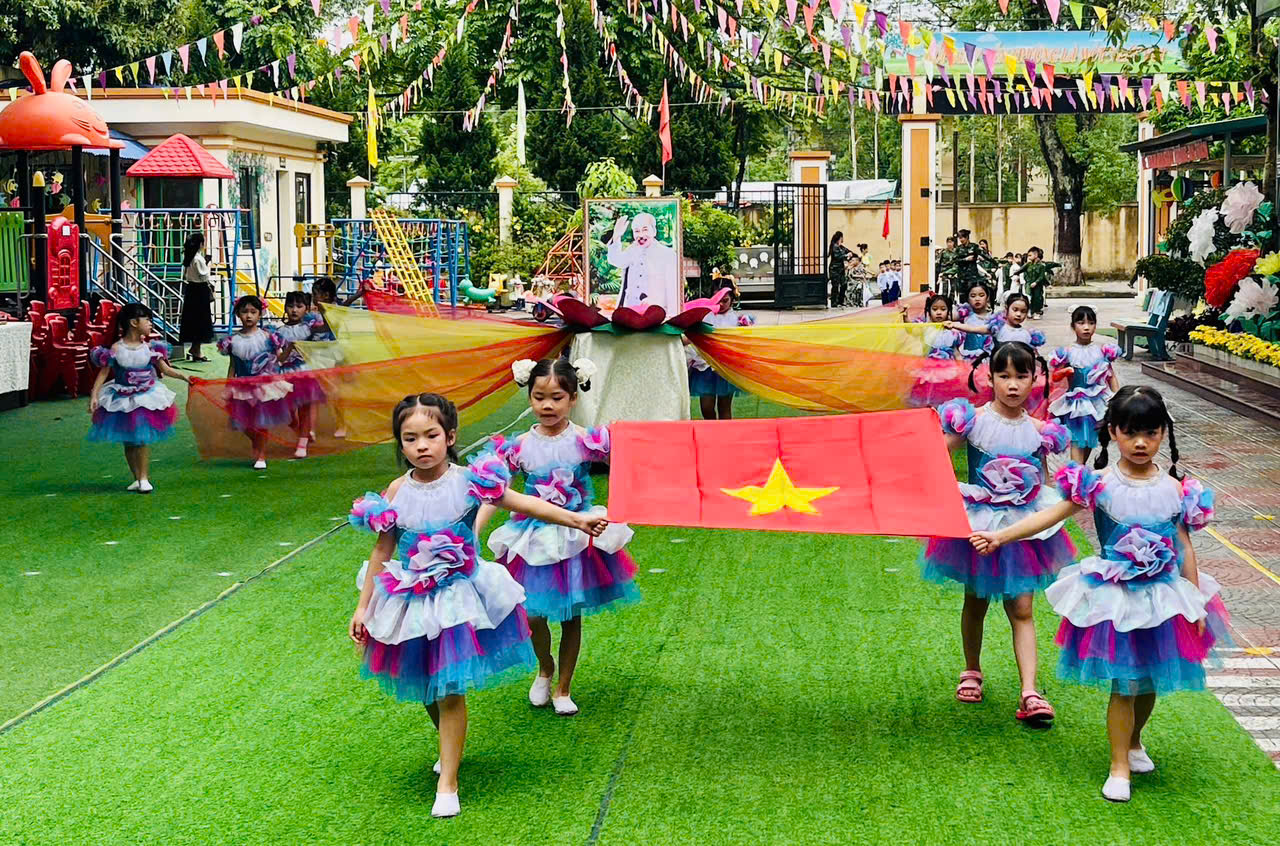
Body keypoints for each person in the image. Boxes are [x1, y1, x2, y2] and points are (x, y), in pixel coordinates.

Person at [348, 393, 608, 818]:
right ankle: (448, 746)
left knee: (449, 688)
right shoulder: (396, 490)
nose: (421, 446)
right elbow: (383, 549)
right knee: (427, 686)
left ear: (450, 437)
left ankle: (448, 782)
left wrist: (577, 519)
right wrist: (363, 607)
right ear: (400, 443)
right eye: (410, 438)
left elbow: (524, 502)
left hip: (458, 599)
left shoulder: (470, 480)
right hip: (411, 600)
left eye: (431, 435)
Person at [971, 386, 1229, 802]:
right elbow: (1048, 515)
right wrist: (1001, 536)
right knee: (1124, 684)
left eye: (1150, 433)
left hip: (1162, 599)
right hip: (1118, 600)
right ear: (1112, 432)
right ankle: (1118, 765)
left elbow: (1183, 547)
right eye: (1130, 432)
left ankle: (1135, 740)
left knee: (1150, 681)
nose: (1141, 443)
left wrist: (1195, 601)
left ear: (1163, 433)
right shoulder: (1099, 484)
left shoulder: (1177, 490)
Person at [920, 342, 1075, 724]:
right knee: (976, 602)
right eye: (1004, 376)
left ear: (1034, 379)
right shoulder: (973, 421)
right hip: (979, 526)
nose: (1013, 384)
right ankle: (972, 669)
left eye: (1021, 376)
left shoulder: (1040, 432)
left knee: (1022, 608)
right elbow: (935, 451)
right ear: (989, 378)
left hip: (1021, 531)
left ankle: (1030, 690)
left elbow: (1042, 478)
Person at [477, 359, 640, 717]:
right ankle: (545, 667)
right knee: (531, 613)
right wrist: (475, 530)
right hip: (531, 539)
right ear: (529, 397)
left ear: (573, 399)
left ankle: (563, 686)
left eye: (557, 397)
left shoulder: (586, 440)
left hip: (577, 536)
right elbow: (495, 492)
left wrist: (630, 499)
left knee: (570, 614)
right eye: (539, 397)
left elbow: (628, 467)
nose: (547, 405)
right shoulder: (519, 446)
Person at [88, 303, 189, 492]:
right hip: (122, 399)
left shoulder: (150, 348)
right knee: (129, 441)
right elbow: (103, 373)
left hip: (145, 398)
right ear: (134, 322)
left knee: (142, 439)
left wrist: (184, 377)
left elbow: (165, 369)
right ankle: (136, 477)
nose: (151, 323)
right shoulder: (116, 349)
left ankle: (144, 478)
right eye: (147, 320)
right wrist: (94, 395)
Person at [217, 295, 294, 469]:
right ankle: (257, 443)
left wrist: (290, 348)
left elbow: (280, 359)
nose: (249, 316)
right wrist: (228, 384)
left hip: (264, 385)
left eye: (253, 312)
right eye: (244, 312)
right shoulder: (232, 341)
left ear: (260, 314)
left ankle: (261, 455)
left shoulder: (268, 337)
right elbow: (233, 365)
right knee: (242, 421)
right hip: (243, 385)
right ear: (238, 314)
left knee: (261, 421)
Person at [1049, 306, 1122, 465]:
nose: (1086, 327)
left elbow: (1111, 376)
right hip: (1076, 404)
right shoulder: (1067, 352)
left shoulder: (1101, 351)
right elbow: (1054, 378)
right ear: (1073, 326)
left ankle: (1079, 470)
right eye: (1081, 323)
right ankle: (1076, 473)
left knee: (1090, 440)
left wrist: (1118, 399)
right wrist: (1064, 372)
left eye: (1091, 323)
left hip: (1097, 403)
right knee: (1077, 440)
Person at [275, 291, 327, 458]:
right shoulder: (278, 331)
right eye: (290, 306)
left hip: (306, 373)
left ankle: (302, 443)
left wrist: (324, 309)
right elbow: (280, 358)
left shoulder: (309, 328)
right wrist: (289, 348)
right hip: (286, 374)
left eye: (299, 306)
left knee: (304, 409)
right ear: (285, 308)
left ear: (306, 309)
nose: (294, 310)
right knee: (288, 414)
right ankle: (302, 434)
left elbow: (326, 328)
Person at [688, 293, 750, 419]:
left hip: (725, 368)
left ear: (732, 300)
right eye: (718, 300)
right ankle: (712, 429)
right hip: (705, 366)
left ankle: (724, 431)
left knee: (724, 407)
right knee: (706, 407)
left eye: (725, 300)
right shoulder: (705, 316)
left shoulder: (736, 319)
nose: (721, 304)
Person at [607, 211, 680, 314]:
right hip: (631, 310)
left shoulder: (668, 255)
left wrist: (672, 315)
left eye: (645, 230)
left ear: (654, 231)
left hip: (656, 313)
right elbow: (615, 260)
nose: (641, 235)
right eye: (637, 231)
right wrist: (616, 236)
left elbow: (673, 291)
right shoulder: (632, 250)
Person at [908, 294, 964, 408]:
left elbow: (956, 352)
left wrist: (962, 368)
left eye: (943, 309)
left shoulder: (953, 332)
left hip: (949, 371)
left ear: (948, 311)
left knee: (946, 398)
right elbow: (911, 329)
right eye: (935, 309)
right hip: (929, 370)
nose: (939, 312)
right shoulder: (925, 328)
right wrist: (905, 318)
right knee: (928, 398)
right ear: (929, 311)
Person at [949, 292, 1046, 352]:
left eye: (1023, 311)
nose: (1018, 314)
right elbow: (973, 329)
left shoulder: (1027, 334)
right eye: (1015, 310)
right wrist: (954, 325)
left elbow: (1033, 356)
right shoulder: (998, 328)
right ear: (1006, 309)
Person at [180, 233, 215, 362]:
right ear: (200, 244)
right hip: (200, 291)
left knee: (193, 320)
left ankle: (195, 349)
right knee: (201, 320)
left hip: (191, 290)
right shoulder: (198, 259)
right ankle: (196, 350)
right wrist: (207, 264)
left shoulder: (189, 257)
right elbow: (204, 276)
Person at [952, 281, 997, 362]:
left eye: (981, 295)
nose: (977, 299)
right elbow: (948, 315)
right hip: (968, 359)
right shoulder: (965, 313)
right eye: (973, 296)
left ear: (987, 297)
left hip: (989, 360)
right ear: (968, 298)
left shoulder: (994, 318)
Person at [1015, 246, 1060, 320]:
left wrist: (1036, 282)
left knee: (1037, 298)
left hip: (1037, 286)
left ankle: (1037, 312)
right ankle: (1030, 311)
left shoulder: (1041, 266)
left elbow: (1041, 276)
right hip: (1028, 285)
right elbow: (1021, 270)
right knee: (1029, 298)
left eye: (1030, 255)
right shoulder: (1028, 264)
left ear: (1036, 255)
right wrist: (1015, 274)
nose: (1028, 257)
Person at [828, 231, 854, 308]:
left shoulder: (841, 247)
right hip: (834, 269)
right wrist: (846, 255)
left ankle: (840, 301)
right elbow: (838, 256)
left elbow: (848, 251)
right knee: (835, 286)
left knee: (844, 284)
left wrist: (851, 254)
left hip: (841, 269)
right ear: (840, 237)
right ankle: (834, 303)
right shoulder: (834, 246)